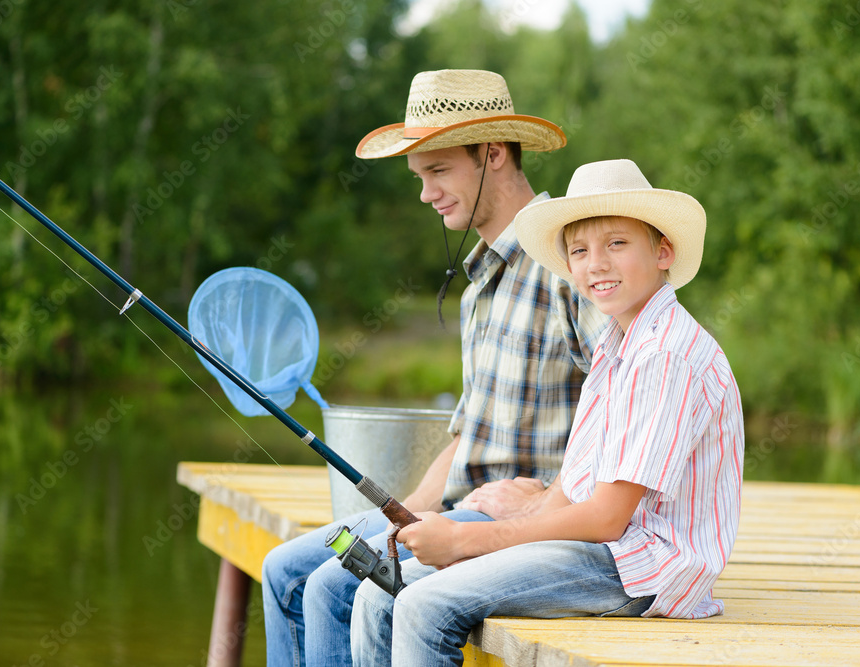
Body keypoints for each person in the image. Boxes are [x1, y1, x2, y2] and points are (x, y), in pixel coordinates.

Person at [261, 69, 610, 667]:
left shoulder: (568, 263)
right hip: (455, 508)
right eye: (419, 177)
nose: (425, 194)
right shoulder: (478, 286)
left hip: (518, 519)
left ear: (494, 154)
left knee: (332, 590)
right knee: (283, 571)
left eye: (439, 171)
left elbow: (622, 406)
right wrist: (406, 511)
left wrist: (544, 501)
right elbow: (466, 427)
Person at [350, 158, 746, 666]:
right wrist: (515, 511)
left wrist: (467, 537)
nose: (596, 263)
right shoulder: (615, 344)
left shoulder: (664, 353)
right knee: (381, 591)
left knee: (424, 604)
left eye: (617, 244)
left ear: (663, 250)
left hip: (642, 567)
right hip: (603, 550)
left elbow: (606, 518)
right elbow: (578, 481)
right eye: (579, 250)